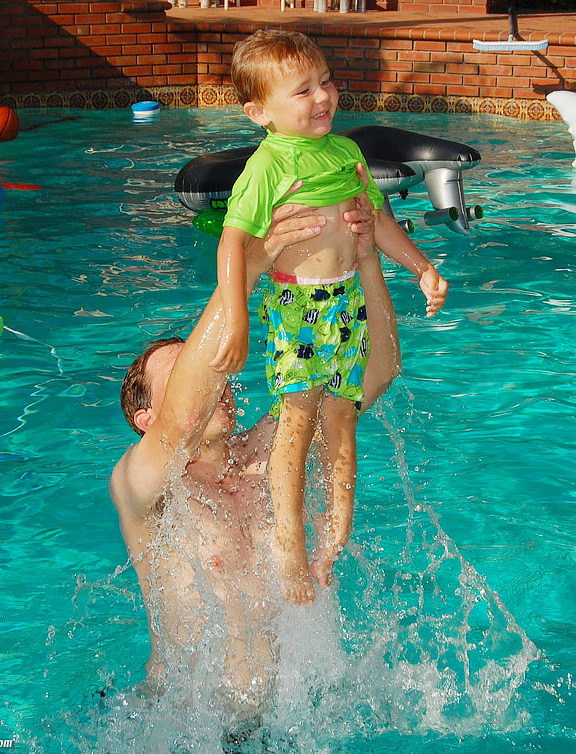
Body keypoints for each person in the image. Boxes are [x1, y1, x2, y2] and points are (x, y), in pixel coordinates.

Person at [110, 196, 401, 716]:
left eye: (216, 373)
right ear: (144, 420)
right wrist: (250, 265)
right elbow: (181, 425)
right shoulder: (143, 486)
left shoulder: (275, 450)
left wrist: (368, 260)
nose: (213, 385)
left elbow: (377, 373)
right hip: (185, 723)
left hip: (294, 717)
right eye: (189, 378)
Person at [210, 30, 448, 604]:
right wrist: (237, 317)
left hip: (346, 301)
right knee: (295, 421)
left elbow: (379, 219)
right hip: (297, 303)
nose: (322, 97)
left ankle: (335, 532)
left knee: (342, 415)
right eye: (302, 91)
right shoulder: (267, 166)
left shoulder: (346, 154)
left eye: (326, 83)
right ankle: (289, 544)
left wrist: (421, 268)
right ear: (258, 112)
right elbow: (231, 243)